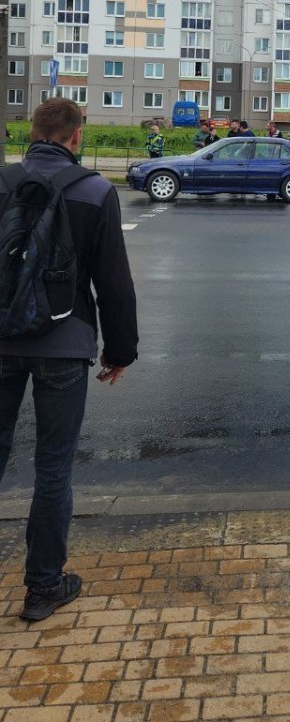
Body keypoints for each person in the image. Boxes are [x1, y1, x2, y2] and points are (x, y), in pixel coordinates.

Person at [0, 98, 139, 622]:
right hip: (64, 342)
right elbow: (114, 284)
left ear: (31, 132)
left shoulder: (2, 182)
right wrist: (120, 351)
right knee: (53, 469)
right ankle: (43, 588)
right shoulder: (95, 191)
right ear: (76, 137)